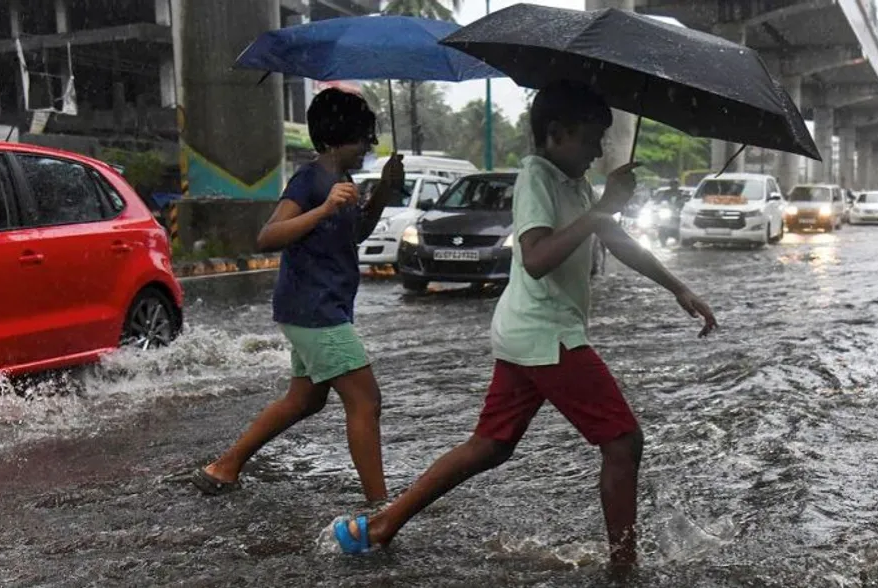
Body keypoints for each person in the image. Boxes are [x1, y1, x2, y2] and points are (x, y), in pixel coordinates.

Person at [328, 80, 718, 567]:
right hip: (546, 334)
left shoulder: (572, 181)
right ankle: (624, 567)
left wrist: (678, 287)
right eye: (592, 138)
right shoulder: (537, 176)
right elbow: (535, 258)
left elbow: (617, 240)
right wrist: (600, 209)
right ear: (557, 134)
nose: (599, 151)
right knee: (623, 443)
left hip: (528, 332)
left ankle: (382, 525)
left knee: (489, 445)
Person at [192, 89, 404, 503]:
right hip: (315, 309)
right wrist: (323, 209)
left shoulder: (342, 182)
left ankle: (224, 467)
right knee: (366, 401)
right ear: (339, 136)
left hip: (318, 306)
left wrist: (381, 193)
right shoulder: (310, 180)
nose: (369, 147)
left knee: (304, 399)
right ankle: (381, 508)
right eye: (364, 138)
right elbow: (268, 236)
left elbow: (354, 235)